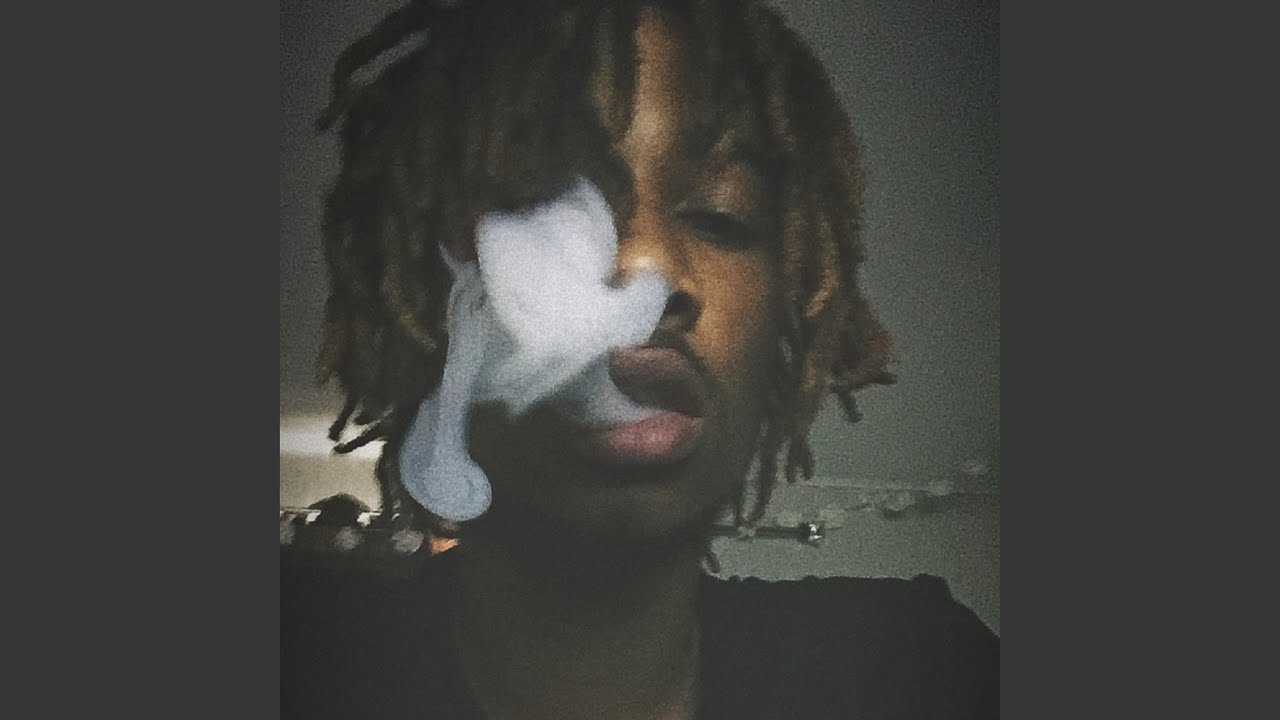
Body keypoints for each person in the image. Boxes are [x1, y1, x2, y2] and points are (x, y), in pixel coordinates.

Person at [280, 1, 999, 718]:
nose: (649, 267)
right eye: (544, 201)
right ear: (417, 297)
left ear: (790, 311)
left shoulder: (916, 674)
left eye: (720, 214)